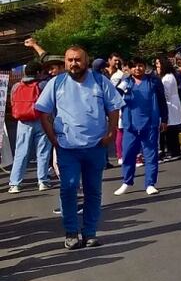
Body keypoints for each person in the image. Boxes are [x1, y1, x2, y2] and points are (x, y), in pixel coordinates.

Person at [35, 46, 123, 249]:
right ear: (65, 62)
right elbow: (42, 111)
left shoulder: (100, 81)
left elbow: (114, 107)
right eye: (70, 60)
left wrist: (111, 133)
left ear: (86, 61)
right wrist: (53, 138)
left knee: (93, 191)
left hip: (95, 147)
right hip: (68, 148)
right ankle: (71, 232)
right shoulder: (56, 83)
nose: (73, 63)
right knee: (69, 188)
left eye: (77, 60)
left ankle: (90, 233)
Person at [112, 57, 167, 196]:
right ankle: (126, 182)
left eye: (140, 65)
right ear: (129, 69)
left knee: (150, 155)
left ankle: (150, 183)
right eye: (134, 66)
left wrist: (164, 119)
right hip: (130, 125)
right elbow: (115, 97)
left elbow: (162, 100)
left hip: (150, 124)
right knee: (128, 154)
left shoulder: (153, 81)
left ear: (145, 67)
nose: (137, 68)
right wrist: (121, 88)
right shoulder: (126, 82)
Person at [8, 61, 52, 194]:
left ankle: (15, 183)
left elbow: (12, 102)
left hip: (23, 121)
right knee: (43, 151)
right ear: (39, 72)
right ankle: (42, 181)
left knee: (21, 152)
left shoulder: (16, 86)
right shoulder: (43, 85)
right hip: (41, 120)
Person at [156, 56, 181, 162]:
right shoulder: (168, 76)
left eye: (158, 64)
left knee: (171, 130)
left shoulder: (167, 78)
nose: (157, 66)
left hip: (170, 105)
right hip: (171, 104)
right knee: (170, 130)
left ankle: (174, 152)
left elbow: (166, 94)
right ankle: (172, 151)